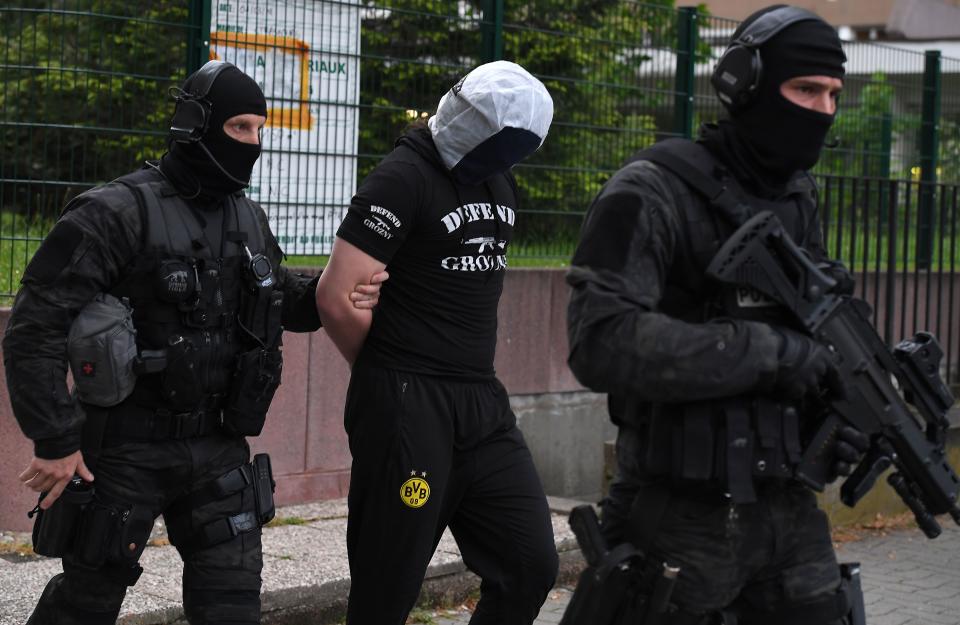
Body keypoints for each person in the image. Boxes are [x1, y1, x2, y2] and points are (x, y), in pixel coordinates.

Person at [4, 60, 386, 625]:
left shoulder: (249, 219)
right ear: (194, 124)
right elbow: (34, 327)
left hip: (218, 448)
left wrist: (347, 290)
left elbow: (281, 302)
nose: (253, 143)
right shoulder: (113, 213)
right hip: (124, 450)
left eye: (260, 129)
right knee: (87, 600)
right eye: (239, 128)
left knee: (232, 605)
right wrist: (56, 438)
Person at [565, 6, 869, 624]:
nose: (823, 110)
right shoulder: (651, 190)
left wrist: (834, 423)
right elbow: (601, 341)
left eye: (834, 94)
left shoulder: (797, 200)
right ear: (744, 82)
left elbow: (809, 335)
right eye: (805, 89)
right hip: (679, 518)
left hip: (788, 513)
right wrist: (772, 354)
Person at [315, 60, 558, 625]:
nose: (513, 156)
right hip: (405, 400)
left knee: (529, 564)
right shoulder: (402, 177)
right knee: (387, 586)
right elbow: (335, 296)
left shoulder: (500, 179)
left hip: (480, 401)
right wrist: (385, 368)